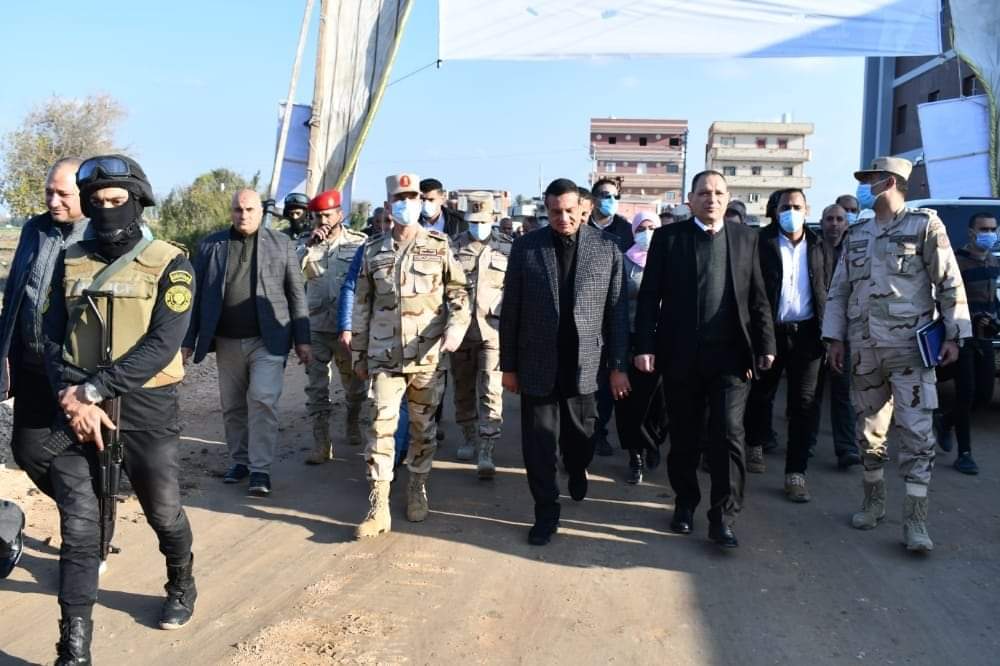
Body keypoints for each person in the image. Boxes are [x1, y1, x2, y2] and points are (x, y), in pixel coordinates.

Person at [32, 155, 198, 661]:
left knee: (162, 511)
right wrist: (72, 395)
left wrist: (94, 390)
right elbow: (50, 336)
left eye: (117, 201)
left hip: (146, 405)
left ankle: (181, 582)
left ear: (137, 202)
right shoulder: (69, 260)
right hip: (77, 409)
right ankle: (73, 647)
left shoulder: (171, 262)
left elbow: (162, 345)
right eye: (98, 202)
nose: (107, 210)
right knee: (80, 529)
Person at [824, 156, 970, 552]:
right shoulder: (857, 233)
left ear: (888, 182)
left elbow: (949, 282)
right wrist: (835, 338)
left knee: (917, 434)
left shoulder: (924, 225)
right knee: (868, 432)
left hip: (910, 350)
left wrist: (954, 335)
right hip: (865, 350)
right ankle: (873, 504)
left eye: (869, 179)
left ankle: (915, 521)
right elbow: (839, 289)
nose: (863, 187)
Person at [634, 170, 775, 549]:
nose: (711, 199)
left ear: (727, 198)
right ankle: (685, 503)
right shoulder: (669, 239)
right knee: (684, 436)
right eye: (704, 193)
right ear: (690, 200)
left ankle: (724, 517)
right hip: (681, 355)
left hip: (731, 358)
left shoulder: (746, 238)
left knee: (729, 434)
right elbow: (648, 297)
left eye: (718, 193)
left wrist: (766, 344)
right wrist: (644, 345)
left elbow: (758, 297)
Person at [500, 178, 630, 546]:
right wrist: (509, 366)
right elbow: (511, 310)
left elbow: (617, 312)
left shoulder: (607, 248)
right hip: (537, 362)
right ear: (547, 210)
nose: (563, 218)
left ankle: (576, 468)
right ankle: (546, 512)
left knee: (581, 438)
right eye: (556, 211)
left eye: (570, 211)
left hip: (584, 363)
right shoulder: (527, 247)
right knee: (539, 445)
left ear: (583, 209)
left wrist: (618, 365)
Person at [351, 172, 469, 539]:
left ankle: (417, 487)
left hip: (427, 356)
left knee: (422, 428)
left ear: (420, 201)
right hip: (384, 356)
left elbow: (459, 293)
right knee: (379, 427)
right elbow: (362, 305)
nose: (406, 204)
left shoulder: (438, 246)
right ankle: (378, 505)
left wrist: (456, 328)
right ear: (388, 206)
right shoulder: (373, 251)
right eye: (399, 198)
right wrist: (358, 353)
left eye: (412, 197)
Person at [183, 189, 311, 498]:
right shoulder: (211, 245)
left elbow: (296, 293)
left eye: (250, 209)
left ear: (260, 212)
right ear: (231, 212)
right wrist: (187, 341)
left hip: (268, 339)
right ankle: (239, 461)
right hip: (226, 341)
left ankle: (260, 469)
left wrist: (303, 339)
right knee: (233, 405)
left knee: (263, 399)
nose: (244, 215)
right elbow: (196, 298)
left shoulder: (280, 244)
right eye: (238, 210)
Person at [745, 189, 829, 501]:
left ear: (807, 210)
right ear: (775, 211)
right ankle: (755, 442)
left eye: (797, 206)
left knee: (804, 404)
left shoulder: (818, 245)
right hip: (769, 332)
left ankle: (796, 473)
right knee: (761, 393)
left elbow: (828, 289)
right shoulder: (760, 242)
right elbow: (753, 293)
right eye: (785, 207)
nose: (791, 212)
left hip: (808, 335)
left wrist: (831, 335)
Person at [299, 188, 368, 464]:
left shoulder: (359, 242)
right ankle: (322, 442)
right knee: (317, 389)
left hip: (346, 328)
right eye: (318, 216)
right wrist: (308, 247)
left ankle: (352, 420)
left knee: (355, 386)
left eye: (328, 215)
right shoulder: (305, 245)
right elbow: (290, 275)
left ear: (340, 214)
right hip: (315, 326)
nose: (323, 221)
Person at [450, 193, 511, 477]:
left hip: (493, 331)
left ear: (493, 219)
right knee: (462, 388)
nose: (478, 226)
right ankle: (468, 437)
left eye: (483, 221)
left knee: (491, 389)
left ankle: (487, 447)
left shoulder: (507, 247)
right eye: (474, 222)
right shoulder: (453, 246)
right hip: (460, 330)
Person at [934, 211, 999, 474]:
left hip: (985, 337)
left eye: (993, 229)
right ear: (971, 232)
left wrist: (994, 318)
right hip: (961, 336)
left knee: (983, 396)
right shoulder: (957, 261)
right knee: (966, 393)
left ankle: (945, 421)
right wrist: (969, 320)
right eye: (984, 229)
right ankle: (965, 454)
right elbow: (946, 299)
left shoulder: (993, 261)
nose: (989, 234)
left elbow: (992, 297)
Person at [614, 210, 666, 484]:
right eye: (641, 229)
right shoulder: (624, 262)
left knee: (659, 402)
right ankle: (635, 454)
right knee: (630, 402)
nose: (647, 234)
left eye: (652, 228)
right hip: (631, 339)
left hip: (663, 340)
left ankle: (653, 441)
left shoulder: (670, 260)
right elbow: (616, 305)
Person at [817, 203, 861, 468]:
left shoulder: (856, 250)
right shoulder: (812, 249)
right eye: (829, 219)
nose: (834, 224)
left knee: (843, 392)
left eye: (839, 219)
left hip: (843, 333)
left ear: (846, 223)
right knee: (810, 395)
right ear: (822, 222)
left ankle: (846, 448)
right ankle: (806, 444)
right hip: (813, 330)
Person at [589, 179, 634, 252]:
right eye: (606, 195)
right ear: (593, 200)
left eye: (616, 196)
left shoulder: (627, 229)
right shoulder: (582, 224)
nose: (612, 200)